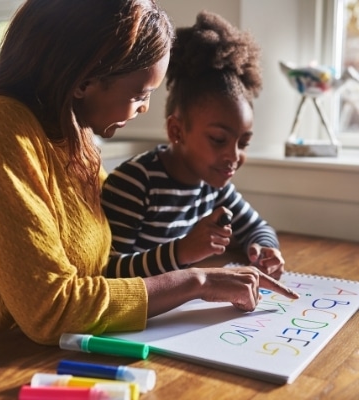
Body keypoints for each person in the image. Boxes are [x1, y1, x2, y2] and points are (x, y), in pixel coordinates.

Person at [0, 0, 298, 348]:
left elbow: (102, 260)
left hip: (45, 352)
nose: (146, 107)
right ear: (83, 81)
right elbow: (50, 310)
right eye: (140, 93)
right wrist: (198, 282)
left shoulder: (74, 135)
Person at [102, 10, 285, 279]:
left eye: (243, 143)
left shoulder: (214, 188)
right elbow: (109, 272)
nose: (233, 155)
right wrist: (181, 253)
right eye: (218, 140)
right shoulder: (134, 184)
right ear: (177, 130)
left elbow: (259, 227)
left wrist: (264, 248)